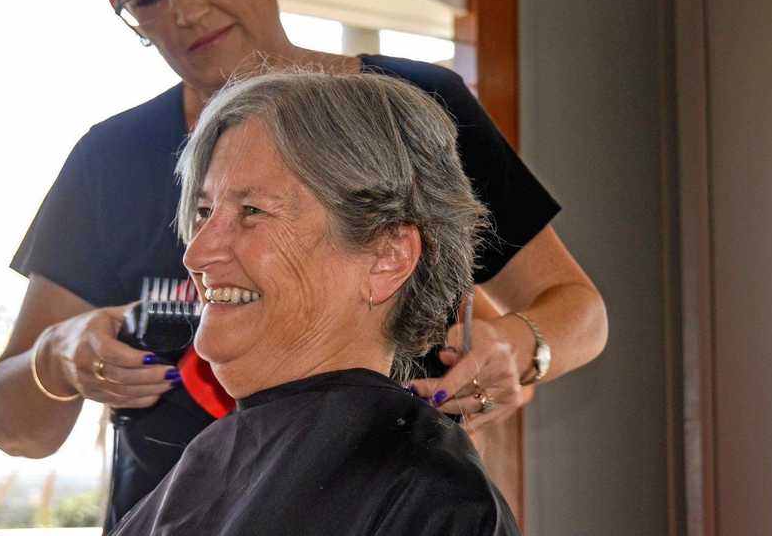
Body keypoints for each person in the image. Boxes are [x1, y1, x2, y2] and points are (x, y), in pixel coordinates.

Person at [0, 0, 607, 530]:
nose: (186, 11)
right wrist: (59, 355)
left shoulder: (413, 110)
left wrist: (518, 346)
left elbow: (578, 309)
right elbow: (16, 427)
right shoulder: (111, 161)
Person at [113, 69, 518, 535]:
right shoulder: (204, 467)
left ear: (387, 258)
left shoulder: (430, 499)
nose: (197, 252)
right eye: (204, 212)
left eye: (252, 212)